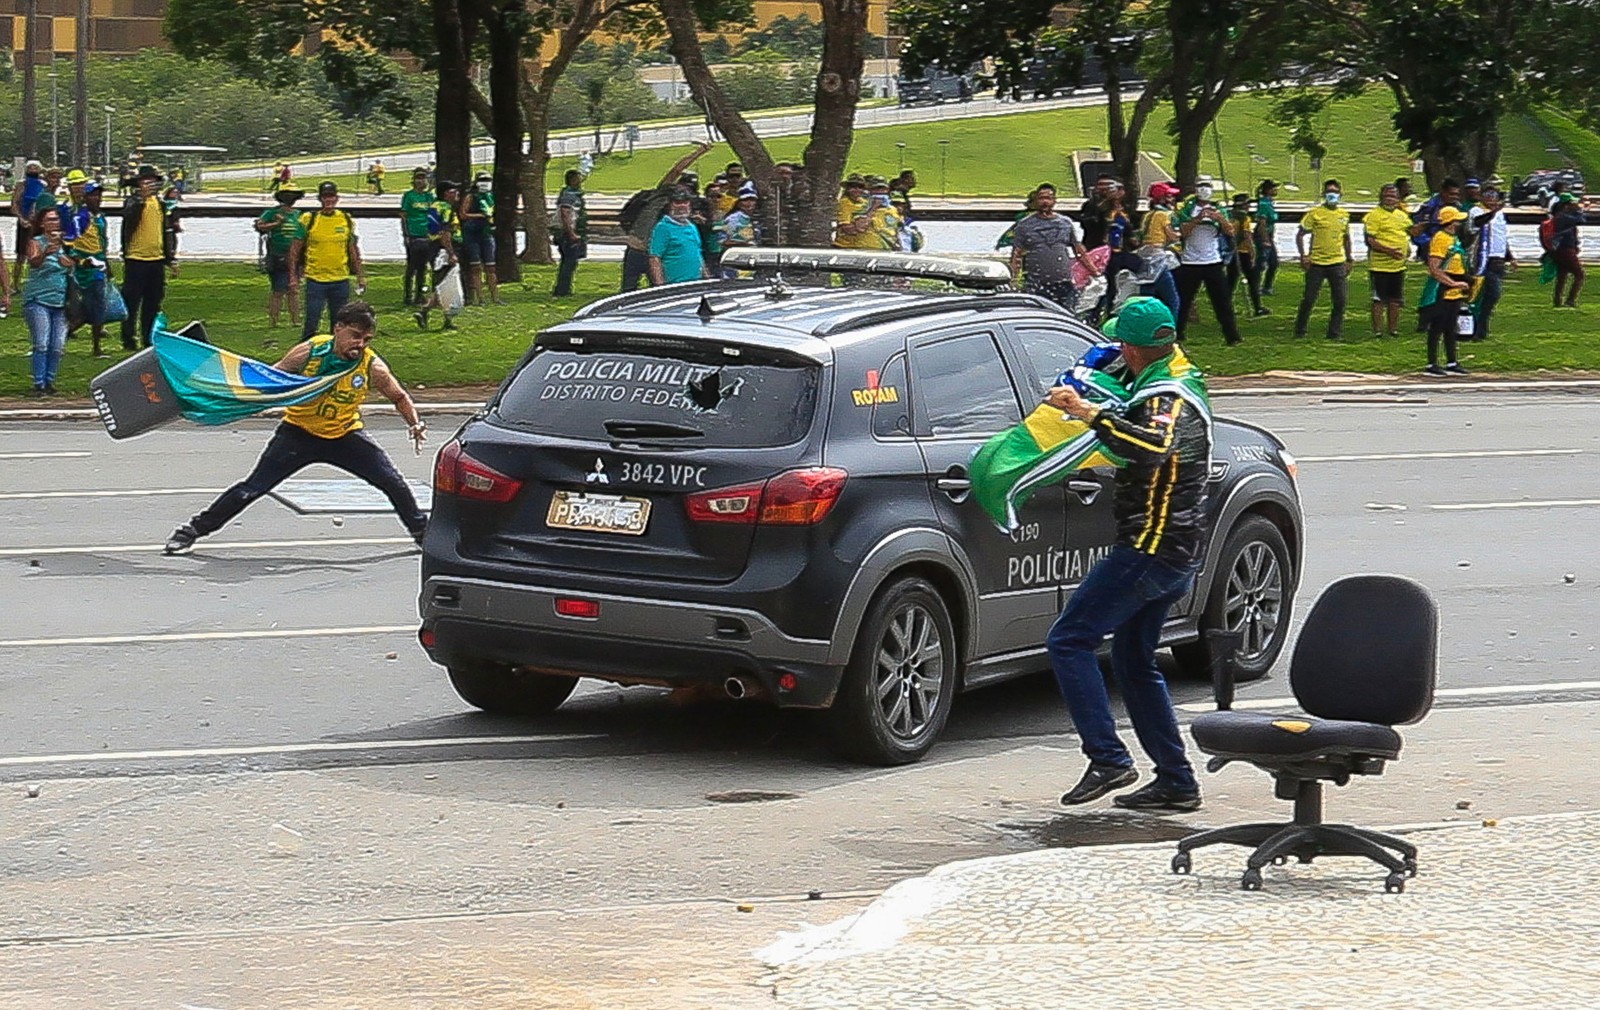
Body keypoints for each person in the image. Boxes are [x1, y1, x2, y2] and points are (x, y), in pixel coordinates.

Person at [1046, 296, 1211, 813]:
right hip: (1174, 548)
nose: (1118, 350)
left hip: (1151, 548)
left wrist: (1087, 411)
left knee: (1069, 640)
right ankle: (1177, 781)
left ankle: (1108, 757)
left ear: (1136, 348)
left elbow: (1154, 445)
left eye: (1122, 344)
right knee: (1134, 661)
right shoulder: (1172, 373)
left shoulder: (1169, 397)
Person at [163, 301, 429, 555]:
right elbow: (271, 379)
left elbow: (399, 396)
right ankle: (191, 531)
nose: (359, 344)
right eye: (355, 335)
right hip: (298, 434)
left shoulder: (371, 366)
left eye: (367, 339)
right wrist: (236, 396)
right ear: (338, 328)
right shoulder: (311, 351)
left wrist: (415, 423)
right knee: (253, 488)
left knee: (393, 482)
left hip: (344, 435)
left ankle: (422, 535)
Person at [618, 142, 714, 291]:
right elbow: (676, 170)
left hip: (659, 252)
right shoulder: (662, 193)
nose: (682, 197)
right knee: (628, 291)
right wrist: (699, 152)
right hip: (637, 250)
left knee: (658, 290)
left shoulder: (682, 218)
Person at [292, 181, 365, 339]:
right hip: (315, 279)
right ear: (320, 199)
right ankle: (306, 354)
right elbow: (295, 249)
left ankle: (336, 356)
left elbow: (353, 249)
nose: (329, 200)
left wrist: (360, 276)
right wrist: (293, 276)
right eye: (326, 197)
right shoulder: (308, 219)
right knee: (312, 321)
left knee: (339, 323)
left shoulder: (346, 219)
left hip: (340, 279)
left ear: (337, 198)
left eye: (332, 196)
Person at [1172, 181, 1242, 345]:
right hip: (1190, 262)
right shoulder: (1187, 209)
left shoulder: (1219, 209)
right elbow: (1182, 232)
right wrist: (1197, 219)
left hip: (1213, 262)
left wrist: (1220, 219)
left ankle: (1232, 336)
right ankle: (1178, 333)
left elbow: (1230, 232)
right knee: (1184, 300)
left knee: (1222, 300)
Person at [1009, 182, 1096, 310]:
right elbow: (1016, 254)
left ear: (1054, 201)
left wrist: (1094, 271)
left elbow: (1078, 249)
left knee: (1067, 314)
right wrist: (1013, 279)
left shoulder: (1065, 223)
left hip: (1064, 282)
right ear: (1035, 200)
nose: (1045, 202)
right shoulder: (1024, 225)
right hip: (1037, 283)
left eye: (1048, 198)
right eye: (1041, 198)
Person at [119, 165, 178, 350]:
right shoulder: (133, 202)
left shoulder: (159, 204)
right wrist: (141, 199)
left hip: (156, 260)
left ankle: (148, 337)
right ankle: (128, 338)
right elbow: (129, 217)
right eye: (146, 181)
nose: (150, 185)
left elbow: (164, 231)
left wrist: (170, 259)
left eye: (152, 181)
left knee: (153, 302)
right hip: (136, 259)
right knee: (132, 301)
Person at [1293, 179, 1353, 340]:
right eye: (1329, 192)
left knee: (1340, 300)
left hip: (1337, 262)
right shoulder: (1314, 214)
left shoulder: (1344, 215)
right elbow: (1300, 234)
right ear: (1324, 194)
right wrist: (1303, 255)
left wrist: (1349, 258)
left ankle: (1334, 333)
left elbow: (1346, 238)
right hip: (1316, 263)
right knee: (1309, 298)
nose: (1332, 195)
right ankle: (1300, 330)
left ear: (1340, 194)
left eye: (1335, 192)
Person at [1419, 205, 1472, 376]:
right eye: (1457, 220)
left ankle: (1452, 361)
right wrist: (1452, 283)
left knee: (1451, 326)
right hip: (1442, 289)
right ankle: (1432, 362)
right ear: (1451, 222)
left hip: (1456, 287)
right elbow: (1435, 268)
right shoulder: (1441, 239)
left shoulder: (1454, 238)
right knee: (1437, 326)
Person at [23, 208, 70, 396]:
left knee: (57, 345)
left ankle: (50, 381)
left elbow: (70, 265)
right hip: (38, 300)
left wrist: (68, 260)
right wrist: (45, 252)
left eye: (56, 219)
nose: (54, 223)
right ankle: (39, 383)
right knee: (41, 343)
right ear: (42, 224)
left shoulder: (64, 244)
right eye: (49, 220)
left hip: (60, 301)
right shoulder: (36, 242)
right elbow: (33, 262)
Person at [64, 180, 111, 357]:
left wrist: (107, 264)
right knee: (93, 306)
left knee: (93, 306)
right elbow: (68, 244)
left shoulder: (100, 217)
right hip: (86, 269)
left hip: (99, 265)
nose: (97, 198)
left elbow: (102, 242)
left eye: (99, 195)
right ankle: (96, 347)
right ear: (85, 197)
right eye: (92, 195)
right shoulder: (80, 218)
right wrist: (81, 261)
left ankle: (70, 333)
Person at [1364, 183, 1412, 339]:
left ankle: (1393, 329)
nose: (1390, 199)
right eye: (1387, 195)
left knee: (1395, 299)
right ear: (1381, 197)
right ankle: (1377, 330)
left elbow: (1408, 232)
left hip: (1398, 267)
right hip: (1380, 266)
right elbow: (1370, 240)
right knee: (1379, 299)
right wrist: (1390, 251)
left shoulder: (1402, 215)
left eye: (1393, 196)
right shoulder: (1374, 216)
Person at [415, 180, 462, 331]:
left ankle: (444, 318)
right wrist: (451, 253)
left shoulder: (435, 207)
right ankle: (425, 311)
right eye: (454, 191)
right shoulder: (446, 209)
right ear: (446, 193)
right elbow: (445, 233)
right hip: (442, 249)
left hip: (435, 247)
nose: (457, 194)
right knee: (445, 283)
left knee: (444, 283)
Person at [255, 187, 305, 328]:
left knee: (294, 290)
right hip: (278, 255)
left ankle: (296, 320)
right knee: (278, 291)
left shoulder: (298, 214)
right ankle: (274, 320)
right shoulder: (272, 213)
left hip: (295, 257)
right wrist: (276, 224)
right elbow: (260, 226)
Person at [1468, 187, 1513, 340]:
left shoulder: (1500, 215)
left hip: (1499, 259)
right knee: (1489, 293)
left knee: (1491, 297)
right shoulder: (1476, 211)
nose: (1491, 199)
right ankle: (1475, 327)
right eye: (1488, 196)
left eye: (1494, 196)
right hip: (1484, 260)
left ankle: (1482, 328)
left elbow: (1501, 237)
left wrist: (1510, 256)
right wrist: (1492, 213)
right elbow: (1477, 224)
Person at [460, 171, 502, 306]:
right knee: (476, 267)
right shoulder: (471, 196)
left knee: (491, 267)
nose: (486, 182)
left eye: (488, 179)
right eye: (483, 179)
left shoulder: (491, 196)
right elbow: (463, 214)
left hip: (487, 233)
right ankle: (480, 298)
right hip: (472, 234)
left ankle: (495, 297)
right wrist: (479, 216)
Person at [648, 188, 705, 286]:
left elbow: (698, 254)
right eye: (677, 202)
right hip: (675, 285)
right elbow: (655, 258)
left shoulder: (692, 226)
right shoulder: (663, 227)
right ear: (670, 204)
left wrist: (706, 278)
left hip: (696, 284)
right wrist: (660, 286)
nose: (682, 205)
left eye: (685, 202)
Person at [1225, 193, 1265, 317]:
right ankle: (1257, 307)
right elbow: (1247, 236)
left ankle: (1227, 306)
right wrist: (1252, 252)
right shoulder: (1245, 218)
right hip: (1243, 252)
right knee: (1253, 280)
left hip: (1231, 251)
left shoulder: (1228, 216)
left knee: (1231, 281)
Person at [400, 168, 435, 306]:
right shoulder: (409, 196)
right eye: (418, 178)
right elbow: (403, 216)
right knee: (412, 267)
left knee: (423, 267)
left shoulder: (429, 197)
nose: (421, 181)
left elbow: (434, 215)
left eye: (424, 178)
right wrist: (406, 234)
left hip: (427, 235)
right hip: (413, 235)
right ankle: (408, 295)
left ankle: (420, 295)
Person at [553, 168, 588, 297]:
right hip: (568, 234)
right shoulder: (569, 195)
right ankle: (562, 290)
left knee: (570, 262)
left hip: (572, 233)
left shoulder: (575, 194)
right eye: (578, 178)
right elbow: (565, 213)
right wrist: (571, 233)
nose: (580, 180)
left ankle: (565, 288)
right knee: (569, 262)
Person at [716, 182, 760, 271]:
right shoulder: (733, 219)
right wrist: (745, 244)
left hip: (753, 261)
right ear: (739, 203)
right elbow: (722, 241)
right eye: (746, 200)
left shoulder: (756, 218)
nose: (749, 203)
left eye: (752, 200)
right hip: (735, 262)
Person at [1550, 194, 1584, 308]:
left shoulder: (1559, 216)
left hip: (1561, 249)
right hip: (1566, 249)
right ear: (1566, 205)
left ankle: (1558, 300)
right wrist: (1579, 210)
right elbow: (1582, 220)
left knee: (1562, 275)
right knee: (1579, 275)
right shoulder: (1564, 217)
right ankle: (1570, 300)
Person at [834, 173, 876, 249]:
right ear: (847, 188)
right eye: (852, 186)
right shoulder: (844, 203)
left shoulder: (865, 202)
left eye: (860, 187)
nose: (857, 189)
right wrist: (863, 226)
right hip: (844, 246)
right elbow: (847, 228)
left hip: (862, 245)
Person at [1254, 180, 1281, 296]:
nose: (1276, 190)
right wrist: (1265, 240)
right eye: (1274, 188)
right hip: (1263, 235)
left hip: (1269, 235)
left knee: (1273, 262)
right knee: (1262, 262)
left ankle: (1266, 287)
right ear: (1268, 190)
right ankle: (1256, 286)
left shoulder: (1269, 203)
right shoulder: (1264, 204)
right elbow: (1262, 224)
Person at [1078, 174, 1114, 249]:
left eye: (1107, 185)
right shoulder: (1089, 205)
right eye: (1101, 185)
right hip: (1095, 246)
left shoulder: (1119, 206)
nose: (1104, 188)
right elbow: (1086, 224)